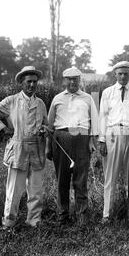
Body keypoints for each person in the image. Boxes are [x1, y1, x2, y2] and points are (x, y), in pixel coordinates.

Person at [0, 66, 48, 230]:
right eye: (29, 82)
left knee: (36, 191)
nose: (32, 85)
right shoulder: (11, 101)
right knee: (14, 191)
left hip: (37, 151)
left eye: (35, 82)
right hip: (18, 150)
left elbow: (46, 124)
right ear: (22, 82)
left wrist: (44, 130)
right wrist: (3, 129)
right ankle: (8, 223)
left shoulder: (40, 103)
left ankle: (34, 222)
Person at [46, 67, 99, 227]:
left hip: (82, 140)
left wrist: (91, 142)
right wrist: (49, 146)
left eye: (75, 79)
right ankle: (63, 215)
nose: (72, 82)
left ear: (79, 80)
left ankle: (82, 216)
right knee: (62, 180)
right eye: (69, 79)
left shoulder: (88, 98)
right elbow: (50, 125)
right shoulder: (57, 98)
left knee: (80, 180)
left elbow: (94, 123)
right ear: (64, 81)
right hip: (61, 140)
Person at [98, 61, 129, 224]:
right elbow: (102, 117)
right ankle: (107, 215)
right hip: (113, 134)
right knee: (110, 177)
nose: (123, 76)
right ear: (115, 74)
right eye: (120, 73)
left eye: (126, 74)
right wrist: (102, 140)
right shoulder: (107, 92)